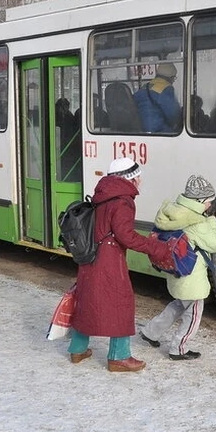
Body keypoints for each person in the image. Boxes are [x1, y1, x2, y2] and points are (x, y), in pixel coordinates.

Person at [68, 157, 173, 372]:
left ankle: (77, 349)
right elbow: (126, 236)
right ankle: (119, 357)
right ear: (131, 179)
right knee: (121, 303)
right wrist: (157, 248)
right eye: (138, 177)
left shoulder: (103, 194)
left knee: (87, 301)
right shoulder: (123, 201)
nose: (140, 181)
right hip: (109, 259)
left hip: (90, 257)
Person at [140, 175, 216, 361]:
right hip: (191, 278)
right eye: (209, 201)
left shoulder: (173, 212)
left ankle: (150, 332)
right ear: (200, 202)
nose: (210, 205)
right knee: (193, 315)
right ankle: (179, 348)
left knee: (177, 305)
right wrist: (212, 221)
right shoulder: (197, 222)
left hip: (176, 272)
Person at [133, 62, 181, 133]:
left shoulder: (145, 86)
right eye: (174, 77)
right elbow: (173, 114)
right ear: (170, 77)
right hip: (158, 130)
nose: (174, 80)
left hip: (141, 129)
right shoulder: (166, 88)